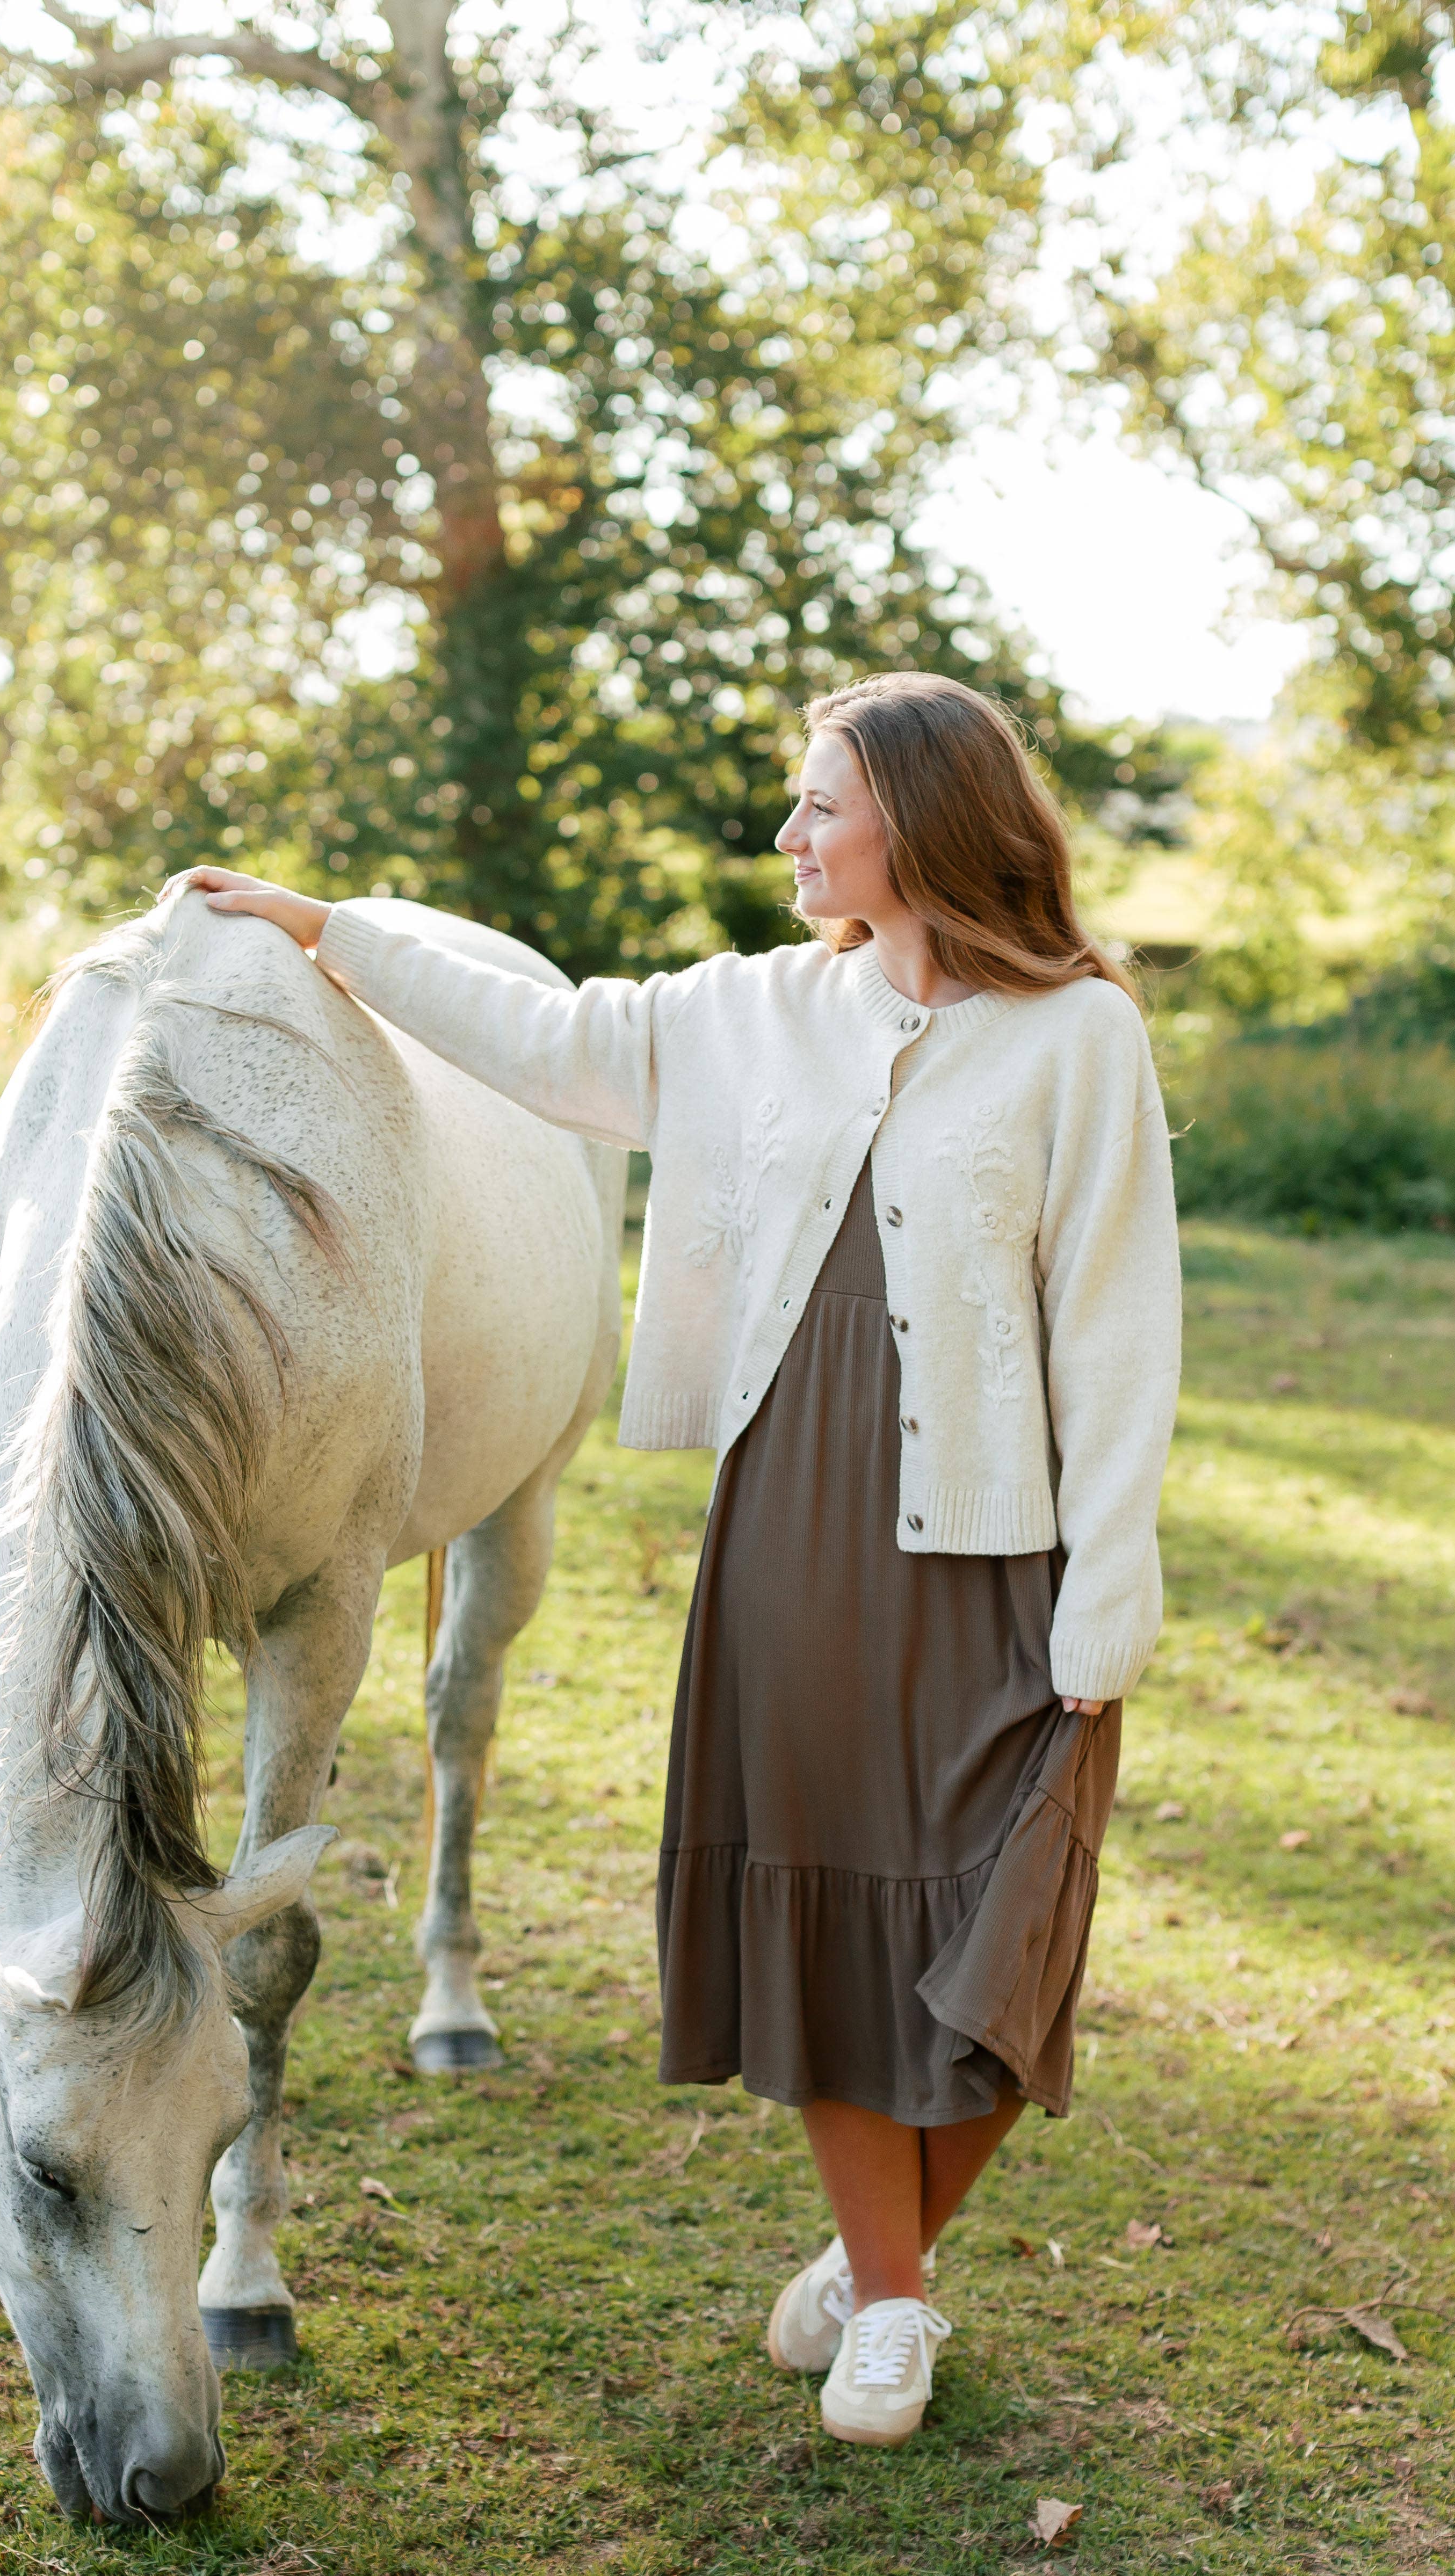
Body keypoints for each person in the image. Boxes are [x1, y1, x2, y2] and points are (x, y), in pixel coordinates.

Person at [180, 670, 1181, 2448]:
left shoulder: (1078, 1037)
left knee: (1006, 1947)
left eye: (818, 805)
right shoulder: (750, 1013)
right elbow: (545, 1042)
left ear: (923, 821)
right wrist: (326, 933)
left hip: (998, 1537)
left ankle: (883, 2258)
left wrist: (1110, 1575)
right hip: (794, 1519)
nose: (788, 837)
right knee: (819, 1903)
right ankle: (889, 2300)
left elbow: (1112, 1324)